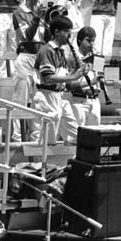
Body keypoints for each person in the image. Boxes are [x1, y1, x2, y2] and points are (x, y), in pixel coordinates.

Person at [30, 16, 82, 145]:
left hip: (60, 96)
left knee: (76, 133)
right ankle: (40, 164)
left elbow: (62, 77)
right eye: (66, 31)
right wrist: (73, 76)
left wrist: (75, 70)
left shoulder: (60, 52)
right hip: (47, 95)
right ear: (57, 32)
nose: (69, 35)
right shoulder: (47, 50)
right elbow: (48, 78)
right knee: (47, 138)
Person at [11, 0, 47, 141]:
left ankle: (36, 137)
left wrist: (48, 21)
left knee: (38, 100)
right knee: (20, 100)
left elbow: (46, 38)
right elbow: (27, 36)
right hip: (25, 57)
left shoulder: (42, 13)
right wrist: (37, 18)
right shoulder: (19, 13)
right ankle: (17, 137)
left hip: (39, 58)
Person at [66, 26, 102, 127]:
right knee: (78, 135)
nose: (91, 44)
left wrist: (107, 78)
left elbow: (102, 80)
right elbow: (69, 85)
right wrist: (91, 82)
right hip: (79, 101)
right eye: (88, 40)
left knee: (95, 136)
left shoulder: (97, 57)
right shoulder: (72, 58)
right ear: (79, 41)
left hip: (95, 101)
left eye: (93, 41)